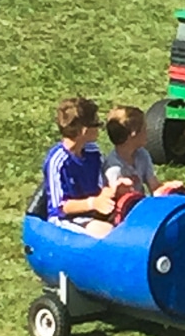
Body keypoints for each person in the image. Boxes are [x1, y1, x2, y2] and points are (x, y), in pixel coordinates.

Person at [43, 96, 128, 238]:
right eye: (96, 123)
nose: (99, 128)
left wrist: (114, 189)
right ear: (84, 130)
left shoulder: (92, 151)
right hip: (65, 220)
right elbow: (60, 207)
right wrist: (93, 203)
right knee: (108, 233)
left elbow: (101, 186)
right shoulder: (58, 161)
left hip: (92, 213)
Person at [104, 105, 185, 212]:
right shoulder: (113, 167)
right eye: (144, 129)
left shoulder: (142, 155)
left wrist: (168, 188)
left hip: (140, 205)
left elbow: (154, 187)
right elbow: (115, 202)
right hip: (122, 211)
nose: (147, 133)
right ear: (133, 134)